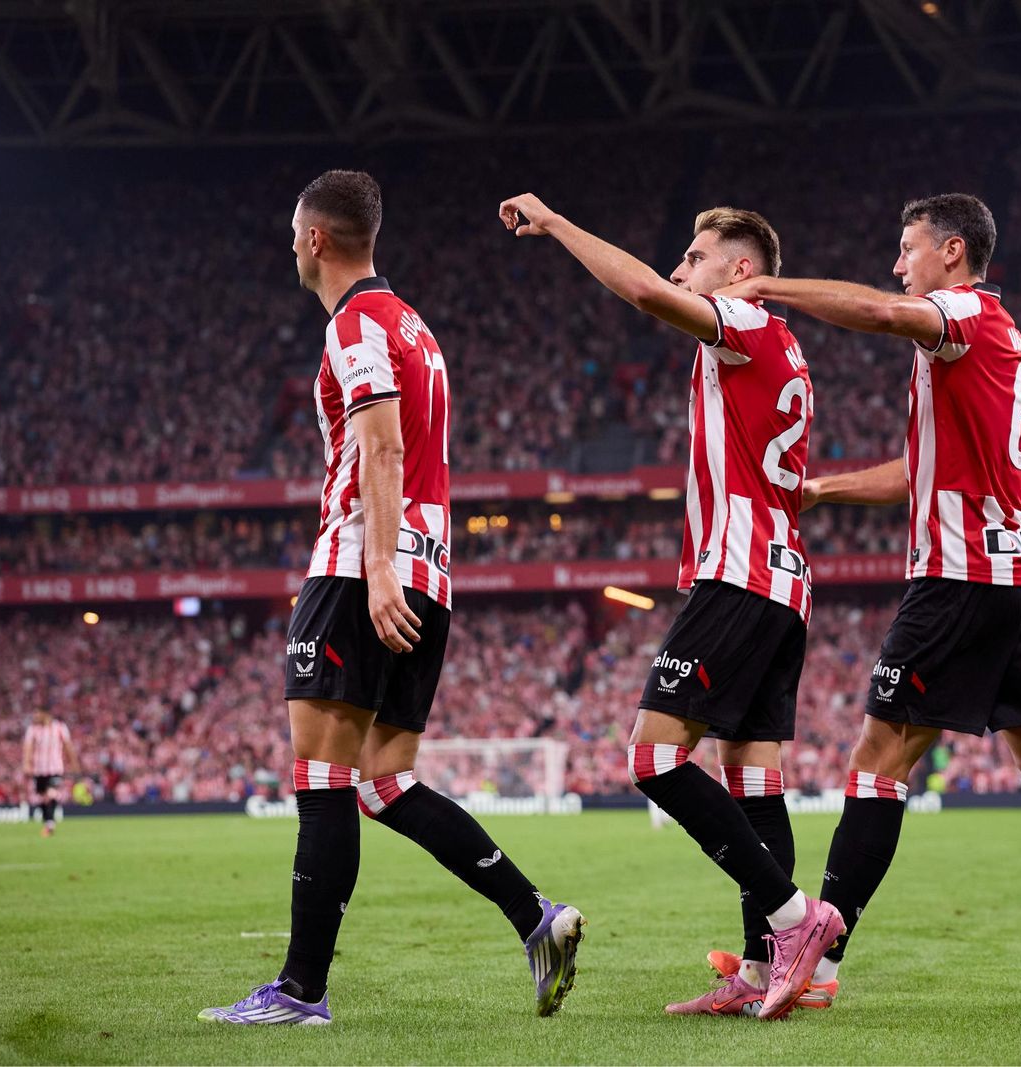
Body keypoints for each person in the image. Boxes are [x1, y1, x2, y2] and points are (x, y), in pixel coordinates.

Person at [716, 193, 1021, 1006]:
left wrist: (768, 286)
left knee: (878, 760)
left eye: (907, 248)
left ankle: (816, 968)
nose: (897, 265)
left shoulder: (960, 315)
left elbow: (879, 312)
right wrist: (828, 488)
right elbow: (922, 471)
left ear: (950, 251)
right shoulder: (1004, 339)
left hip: (961, 579)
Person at [201, 171, 584, 1027]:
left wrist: (376, 568)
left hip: (360, 565)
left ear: (315, 239)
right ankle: (535, 915)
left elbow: (381, 449)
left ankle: (300, 990)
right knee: (384, 779)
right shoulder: (415, 325)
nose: (291, 246)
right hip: (432, 569)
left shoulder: (357, 323)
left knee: (322, 774)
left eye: (293, 234)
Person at [498, 192, 840, 1021]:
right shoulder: (784, 348)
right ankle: (761, 969)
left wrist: (559, 223)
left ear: (742, 270)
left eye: (697, 255)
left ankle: (795, 919)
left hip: (739, 573)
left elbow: (647, 293)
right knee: (752, 777)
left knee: (653, 758)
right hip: (782, 582)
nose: (681, 268)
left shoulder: (745, 321)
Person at [21, 708, 77, 837]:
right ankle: (48, 822)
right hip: (38, 769)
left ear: (45, 714)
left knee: (51, 793)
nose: (35, 716)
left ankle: (50, 824)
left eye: (37, 713)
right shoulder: (32, 729)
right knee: (41, 797)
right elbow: (28, 747)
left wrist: (73, 763)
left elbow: (68, 746)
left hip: (55, 768)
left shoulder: (60, 727)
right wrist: (27, 764)